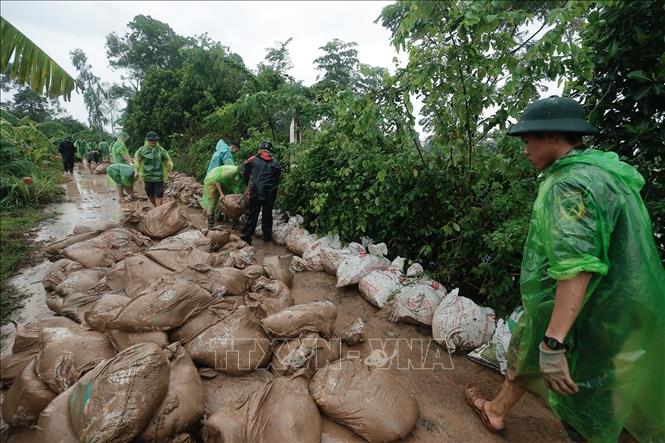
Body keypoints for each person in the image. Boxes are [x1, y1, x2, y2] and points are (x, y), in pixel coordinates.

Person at [465, 96, 665, 443]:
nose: (525, 150)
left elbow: (577, 266)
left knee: (584, 397)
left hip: (587, 311)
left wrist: (554, 342)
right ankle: (496, 410)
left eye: (529, 141)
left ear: (554, 137)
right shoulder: (604, 174)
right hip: (615, 307)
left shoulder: (570, 186)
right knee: (531, 350)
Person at [240, 141, 281, 244]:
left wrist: (248, 184)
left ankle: (246, 238)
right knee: (267, 214)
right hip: (270, 193)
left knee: (252, 214)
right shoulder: (276, 163)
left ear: (260, 150)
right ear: (270, 151)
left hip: (255, 191)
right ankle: (266, 237)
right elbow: (278, 179)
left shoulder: (253, 160)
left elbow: (245, 173)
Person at [134, 131, 173, 207]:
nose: (153, 141)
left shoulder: (161, 151)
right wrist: (136, 171)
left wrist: (170, 170)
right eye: (151, 140)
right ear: (147, 140)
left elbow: (167, 160)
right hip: (147, 176)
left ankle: (158, 210)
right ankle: (156, 208)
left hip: (159, 177)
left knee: (159, 194)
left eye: (155, 140)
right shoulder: (142, 150)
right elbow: (137, 160)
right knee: (150, 194)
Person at [201, 165, 245, 229]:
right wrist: (221, 194)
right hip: (212, 181)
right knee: (212, 203)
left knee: (232, 204)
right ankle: (210, 227)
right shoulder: (232, 171)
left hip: (224, 183)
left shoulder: (241, 174)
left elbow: (240, 186)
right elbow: (216, 180)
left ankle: (235, 225)